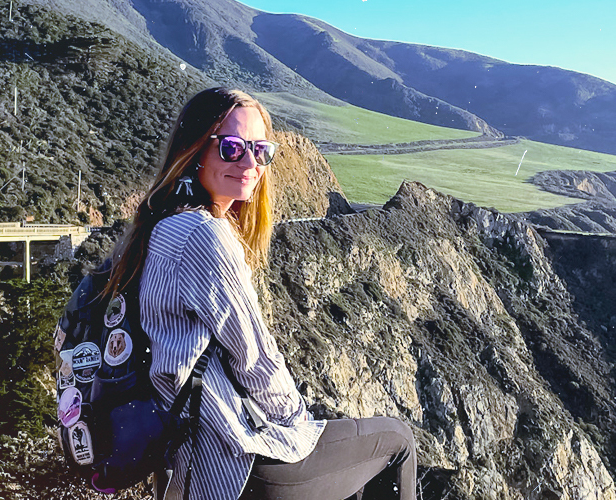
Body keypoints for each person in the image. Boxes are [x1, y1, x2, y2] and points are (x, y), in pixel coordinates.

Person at [100, 87, 417, 500]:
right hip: (236, 460)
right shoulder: (203, 235)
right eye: (231, 148)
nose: (250, 163)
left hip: (187, 464)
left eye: (260, 149)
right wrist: (298, 423)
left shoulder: (161, 224)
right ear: (195, 149)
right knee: (396, 441)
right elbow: (254, 356)